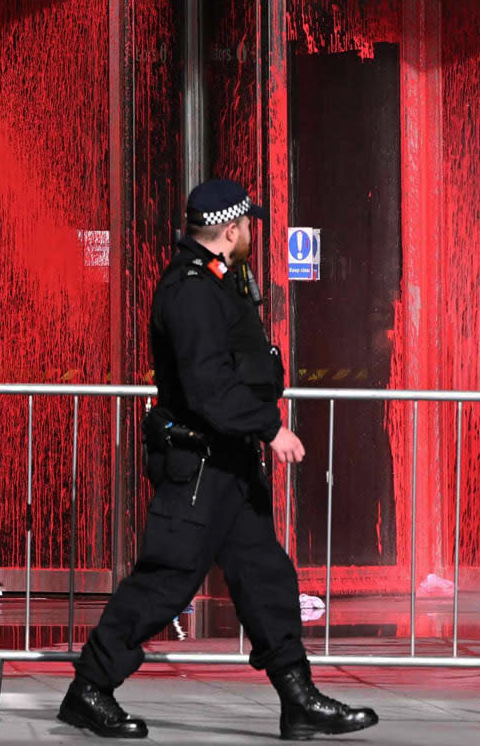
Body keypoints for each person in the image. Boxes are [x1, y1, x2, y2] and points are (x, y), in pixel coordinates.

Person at [59, 178, 376, 742]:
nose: (252, 232)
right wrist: (269, 427)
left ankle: (297, 699)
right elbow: (209, 385)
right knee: (166, 581)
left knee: (266, 577)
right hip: (199, 467)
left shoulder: (219, 282)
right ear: (231, 231)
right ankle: (90, 688)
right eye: (248, 224)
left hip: (229, 468)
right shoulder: (190, 292)